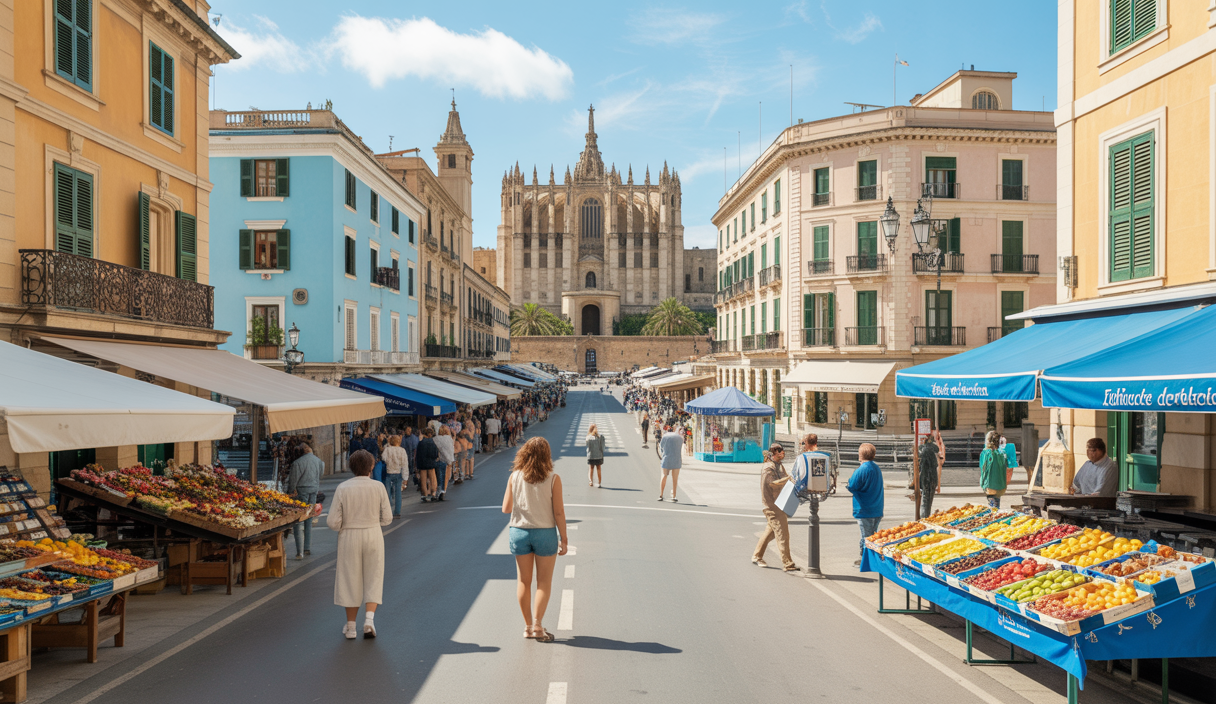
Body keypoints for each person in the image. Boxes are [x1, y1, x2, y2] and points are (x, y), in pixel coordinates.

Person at [501, 437, 568, 643]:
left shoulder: (515, 476)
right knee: (544, 582)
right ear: (547, 456)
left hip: (519, 531)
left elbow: (506, 508)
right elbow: (558, 512)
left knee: (523, 581)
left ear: (525, 453)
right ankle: (538, 625)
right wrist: (564, 539)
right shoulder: (553, 478)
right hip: (545, 533)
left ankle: (528, 626)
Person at [326, 449, 392, 639]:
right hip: (372, 533)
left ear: (351, 467)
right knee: (374, 576)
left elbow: (332, 522)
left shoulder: (343, 488)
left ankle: (351, 626)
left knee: (349, 578)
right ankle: (369, 620)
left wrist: (345, 524)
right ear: (371, 467)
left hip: (349, 536)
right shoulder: (378, 487)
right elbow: (387, 518)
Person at [753, 443, 798, 572]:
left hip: (779, 504)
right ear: (774, 454)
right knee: (782, 534)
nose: (783, 454)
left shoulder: (778, 465)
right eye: (780, 452)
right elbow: (772, 484)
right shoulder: (769, 467)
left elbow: (784, 478)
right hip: (772, 506)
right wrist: (788, 479)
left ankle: (757, 556)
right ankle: (788, 563)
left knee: (771, 532)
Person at [846, 443, 884, 566]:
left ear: (861, 455)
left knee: (866, 536)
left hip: (864, 508)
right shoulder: (876, 468)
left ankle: (865, 560)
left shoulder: (862, 469)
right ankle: (873, 558)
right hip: (877, 507)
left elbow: (852, 485)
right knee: (873, 535)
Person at [287, 443, 323, 559]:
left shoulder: (298, 463)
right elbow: (320, 474)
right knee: (309, 518)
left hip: (301, 491)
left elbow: (293, 480)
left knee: (299, 519)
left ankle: (299, 551)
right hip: (314, 490)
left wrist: (290, 491)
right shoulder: (319, 461)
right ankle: (307, 547)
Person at [979, 430, 1011, 508]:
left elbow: (982, 468)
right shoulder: (1002, 453)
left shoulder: (986, 453)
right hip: (1001, 485)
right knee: (996, 504)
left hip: (989, 485)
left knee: (993, 508)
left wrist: (982, 483)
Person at [917, 431, 944, 518]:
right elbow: (936, 464)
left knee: (925, 499)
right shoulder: (932, 450)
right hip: (931, 478)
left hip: (925, 478)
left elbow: (920, 466)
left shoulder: (922, 450)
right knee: (928, 499)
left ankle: (924, 516)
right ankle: (925, 516)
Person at [381, 435, 409, 518]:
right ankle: (397, 512)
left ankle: (387, 511)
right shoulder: (402, 450)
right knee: (398, 493)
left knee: (387, 493)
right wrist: (405, 478)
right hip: (398, 473)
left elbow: (383, 458)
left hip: (389, 473)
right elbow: (405, 464)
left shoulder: (387, 449)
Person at [657, 424, 683, 502]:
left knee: (664, 476)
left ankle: (661, 494)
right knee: (675, 479)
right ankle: (674, 496)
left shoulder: (665, 437)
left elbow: (661, 446)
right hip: (677, 459)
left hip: (666, 459)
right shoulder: (680, 438)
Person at [416, 427, 440, 502]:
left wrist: (417, 464)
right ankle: (433, 493)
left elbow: (418, 454)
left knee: (423, 479)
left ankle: (425, 494)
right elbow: (436, 453)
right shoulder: (433, 442)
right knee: (432, 477)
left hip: (422, 462)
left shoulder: (421, 442)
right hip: (431, 461)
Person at [434, 426, 455, 500]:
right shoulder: (449, 439)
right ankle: (443, 490)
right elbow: (451, 448)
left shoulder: (436, 439)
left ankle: (438, 490)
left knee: (439, 476)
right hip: (448, 459)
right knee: (446, 476)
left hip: (440, 458)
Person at [586, 423, 606, 488]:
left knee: (591, 468)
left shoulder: (588, 437)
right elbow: (603, 447)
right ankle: (599, 482)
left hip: (591, 455)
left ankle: (590, 481)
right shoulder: (600, 437)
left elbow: (587, 446)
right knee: (598, 468)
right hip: (599, 456)